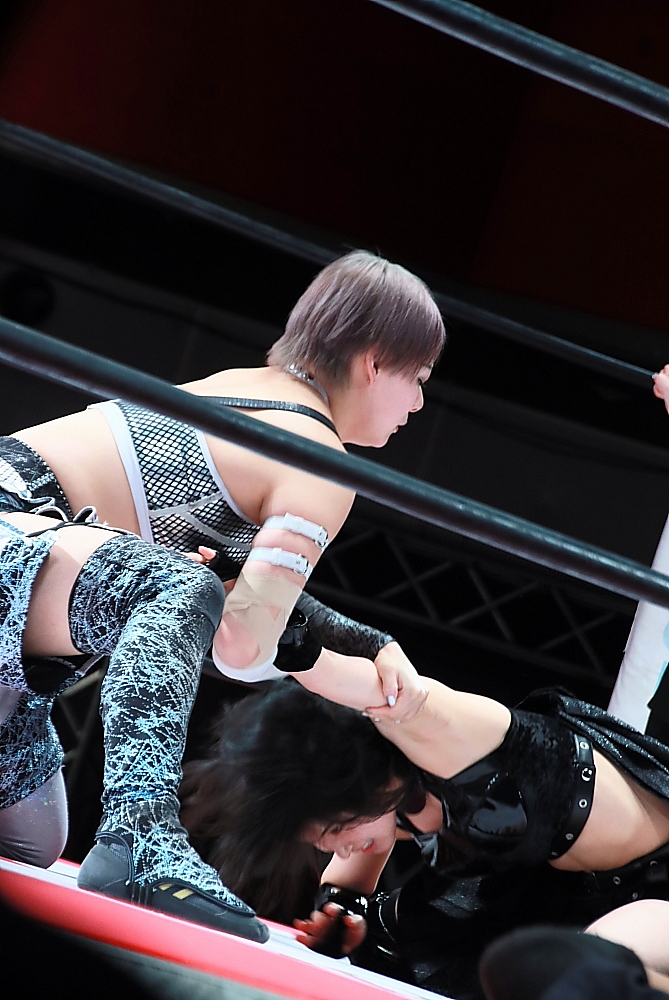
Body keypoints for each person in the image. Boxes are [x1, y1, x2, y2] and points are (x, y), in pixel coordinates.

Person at [0, 251, 442, 925]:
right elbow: (241, 646)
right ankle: (140, 833)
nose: (418, 403)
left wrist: (368, 642)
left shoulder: (232, 390)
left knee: (35, 839)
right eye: (418, 378)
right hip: (13, 537)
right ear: (375, 361)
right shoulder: (316, 457)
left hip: (23, 607)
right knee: (181, 584)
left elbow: (237, 593)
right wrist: (347, 675)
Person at [180, 653, 669, 996]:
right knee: (386, 936)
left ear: (354, 792)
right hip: (564, 896)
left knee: (568, 973)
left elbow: (320, 662)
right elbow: (352, 874)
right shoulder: (393, 797)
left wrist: (262, 601)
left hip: (657, 889)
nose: (336, 851)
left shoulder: (440, 732)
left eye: (331, 832)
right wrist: (342, 910)